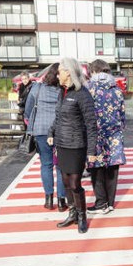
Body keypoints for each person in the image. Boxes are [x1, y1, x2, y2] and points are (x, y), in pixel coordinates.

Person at [49, 57, 97, 233]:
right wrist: (50, 133)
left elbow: (91, 124)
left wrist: (92, 150)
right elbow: (58, 118)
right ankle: (73, 213)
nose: (57, 73)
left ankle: (82, 216)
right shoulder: (62, 93)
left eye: (60, 70)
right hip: (62, 144)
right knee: (65, 181)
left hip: (77, 145)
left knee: (75, 183)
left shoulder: (82, 94)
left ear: (68, 72)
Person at [86, 59, 126, 213]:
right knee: (112, 168)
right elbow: (122, 113)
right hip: (114, 133)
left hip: (96, 133)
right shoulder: (117, 89)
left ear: (94, 71)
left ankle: (101, 202)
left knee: (97, 168)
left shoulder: (89, 88)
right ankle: (110, 203)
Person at [25, 64, 67, 211]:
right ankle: (62, 200)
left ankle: (48, 199)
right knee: (61, 166)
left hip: (41, 129)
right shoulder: (62, 90)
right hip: (60, 130)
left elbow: (28, 108)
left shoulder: (37, 88)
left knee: (46, 164)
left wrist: (29, 122)